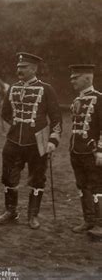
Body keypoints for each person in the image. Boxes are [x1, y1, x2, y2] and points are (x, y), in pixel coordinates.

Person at [0, 52, 62, 229]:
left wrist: (52, 140)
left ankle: (33, 215)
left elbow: (56, 118)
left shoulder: (46, 89)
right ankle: (11, 211)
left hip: (38, 141)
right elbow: (5, 112)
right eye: (18, 67)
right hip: (14, 140)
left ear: (33, 69)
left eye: (23, 67)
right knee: (9, 176)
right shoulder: (12, 88)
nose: (19, 70)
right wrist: (18, 126)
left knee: (37, 178)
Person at [67, 64, 102, 237]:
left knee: (96, 186)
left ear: (87, 78)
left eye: (76, 77)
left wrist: (101, 151)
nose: (72, 80)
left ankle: (100, 224)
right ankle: (88, 220)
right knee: (82, 186)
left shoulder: (100, 98)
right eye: (72, 77)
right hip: (76, 151)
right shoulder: (77, 100)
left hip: (92, 153)